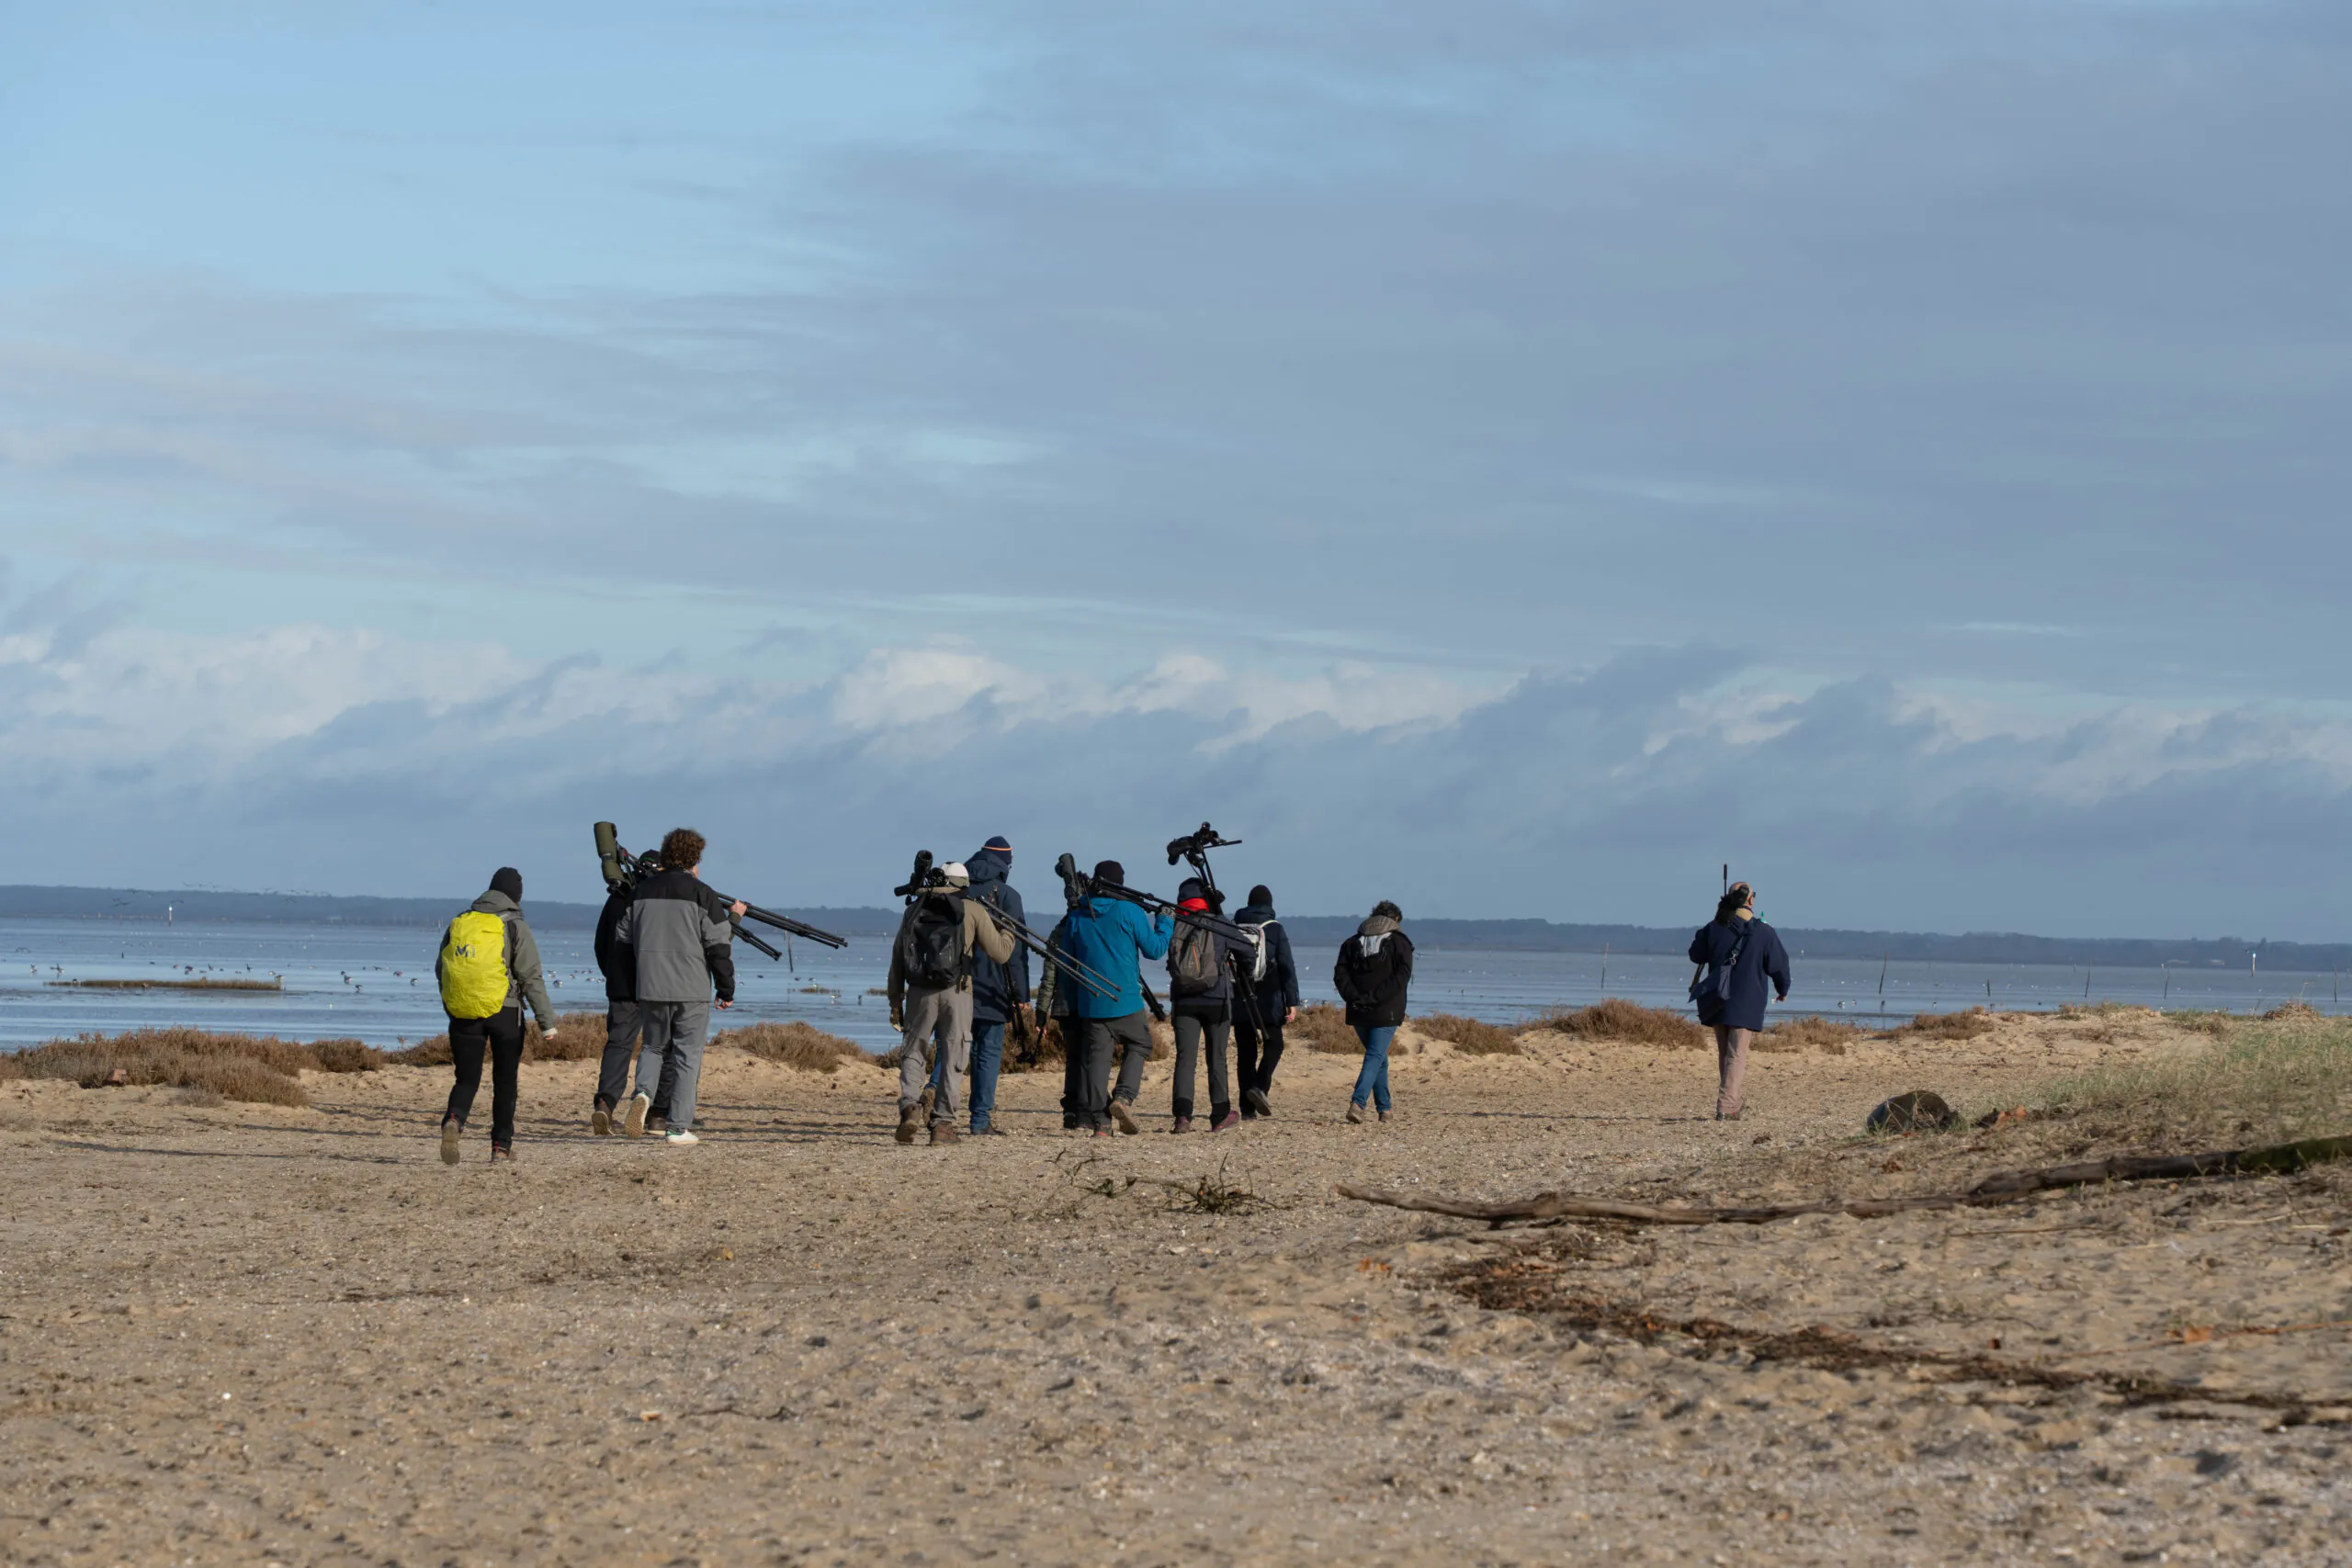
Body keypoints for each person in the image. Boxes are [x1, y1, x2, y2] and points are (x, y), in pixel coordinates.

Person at [612, 828, 744, 1146]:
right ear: (696, 858)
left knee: (653, 1047)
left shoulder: (641, 892)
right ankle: (677, 1127)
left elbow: (622, 940)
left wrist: (630, 984)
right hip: (691, 989)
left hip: (651, 986)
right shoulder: (702, 893)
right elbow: (718, 945)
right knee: (687, 1054)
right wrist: (726, 989)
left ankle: (643, 1092)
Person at [434, 867, 560, 1165]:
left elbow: (442, 969)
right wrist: (547, 1024)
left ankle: (454, 1120)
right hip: (506, 1013)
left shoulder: (460, 922)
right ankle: (501, 1148)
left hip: (464, 1013)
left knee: (466, 1079)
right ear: (516, 896)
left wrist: (452, 1005)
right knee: (505, 1082)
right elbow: (531, 977)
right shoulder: (515, 925)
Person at [887, 861, 1017, 1145]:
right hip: (957, 991)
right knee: (954, 1056)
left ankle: (910, 1105)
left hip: (919, 992)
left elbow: (898, 959)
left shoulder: (914, 909)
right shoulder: (972, 910)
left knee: (914, 1052)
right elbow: (1000, 953)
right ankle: (942, 1125)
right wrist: (1008, 931)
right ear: (964, 884)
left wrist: (895, 1002)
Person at [1054, 861, 1172, 1136]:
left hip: (1091, 1005)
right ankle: (1123, 1098)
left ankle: (1101, 1125)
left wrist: (1074, 1005)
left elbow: (1067, 966)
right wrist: (1165, 922)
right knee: (1141, 1044)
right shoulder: (1130, 911)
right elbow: (1155, 950)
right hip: (1127, 1001)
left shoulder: (1078, 915)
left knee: (1097, 1062)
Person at [1687, 882, 1792, 1122]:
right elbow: (1778, 964)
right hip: (1747, 1001)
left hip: (1717, 999)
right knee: (1736, 1055)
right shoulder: (1763, 932)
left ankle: (1732, 1101)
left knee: (1726, 1054)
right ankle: (1727, 1105)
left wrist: (1716, 919)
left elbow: (1696, 954)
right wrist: (1782, 989)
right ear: (1751, 900)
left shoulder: (1715, 927)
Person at [592, 855, 671, 1136]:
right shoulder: (657, 901)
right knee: (659, 1047)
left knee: (618, 1046)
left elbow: (600, 944)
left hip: (621, 987)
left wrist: (612, 974)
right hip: (655, 986)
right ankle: (656, 1114)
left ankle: (605, 1103)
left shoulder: (616, 898)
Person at [961, 836, 1030, 1136]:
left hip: (953, 985)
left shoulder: (956, 888)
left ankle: (933, 1100)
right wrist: (1022, 995)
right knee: (988, 1052)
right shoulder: (1008, 896)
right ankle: (979, 1120)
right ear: (1005, 863)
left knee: (954, 1049)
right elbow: (1016, 951)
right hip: (994, 986)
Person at [1164, 876, 1243, 1132]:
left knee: (1185, 1059)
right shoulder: (1220, 923)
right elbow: (1248, 951)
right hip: (1217, 999)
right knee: (1217, 1058)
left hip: (1183, 1000)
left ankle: (1183, 1117)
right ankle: (1220, 1114)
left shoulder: (1175, 922)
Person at [1333, 899, 1413, 1125]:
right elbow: (1401, 977)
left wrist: (1355, 998)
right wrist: (1375, 998)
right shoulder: (1400, 942)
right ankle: (1358, 1103)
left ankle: (1385, 1109)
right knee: (1375, 1056)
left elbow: (1340, 975)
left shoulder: (1351, 942)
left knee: (1379, 1057)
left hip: (1358, 1009)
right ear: (1396, 919)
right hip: (1385, 1009)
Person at [1231, 883, 1299, 1119]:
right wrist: (1292, 1000)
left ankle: (1247, 1109)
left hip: (1240, 997)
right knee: (1275, 1044)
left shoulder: (1233, 926)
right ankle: (1259, 1087)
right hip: (1269, 999)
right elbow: (1287, 966)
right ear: (1270, 905)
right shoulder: (1275, 929)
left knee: (1246, 1053)